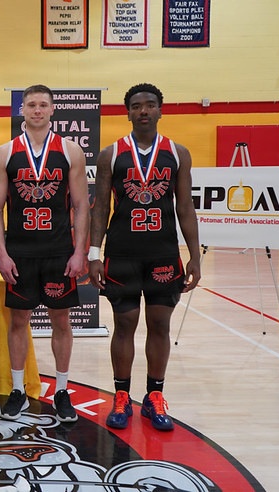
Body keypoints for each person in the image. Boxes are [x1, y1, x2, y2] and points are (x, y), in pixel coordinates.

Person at [89, 83, 201, 432]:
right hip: (121, 253)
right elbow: (100, 208)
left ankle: (154, 397)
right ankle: (121, 396)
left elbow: (185, 207)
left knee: (160, 324)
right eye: (136, 106)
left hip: (164, 253)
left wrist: (194, 255)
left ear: (160, 110)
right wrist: (94, 254)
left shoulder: (178, 152)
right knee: (124, 324)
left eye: (150, 105)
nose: (143, 111)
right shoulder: (111, 154)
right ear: (128, 112)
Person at [0, 84, 89, 423]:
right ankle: (18, 389)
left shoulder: (71, 151)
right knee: (19, 321)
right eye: (31, 104)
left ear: (52, 109)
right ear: (22, 109)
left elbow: (81, 206)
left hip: (59, 252)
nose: (37, 110)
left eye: (43, 104)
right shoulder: (5, 152)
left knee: (62, 320)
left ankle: (61, 391)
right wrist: (1, 254)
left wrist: (79, 253)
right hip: (20, 252)